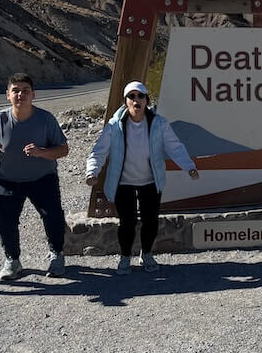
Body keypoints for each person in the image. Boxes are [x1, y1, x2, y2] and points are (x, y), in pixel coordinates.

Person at [85, 80, 200, 275]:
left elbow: (174, 146)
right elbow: (99, 151)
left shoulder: (159, 123)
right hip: (123, 183)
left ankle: (146, 254)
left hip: (150, 181)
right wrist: (92, 171)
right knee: (127, 222)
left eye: (140, 96)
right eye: (131, 96)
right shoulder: (114, 126)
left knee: (150, 220)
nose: (136, 100)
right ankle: (124, 257)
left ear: (146, 100)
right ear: (125, 101)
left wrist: (189, 166)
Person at [0, 73, 69, 280]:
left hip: (43, 178)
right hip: (7, 179)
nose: (21, 94)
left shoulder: (45, 119)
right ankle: (13, 260)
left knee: (53, 216)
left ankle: (57, 255)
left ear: (33, 95)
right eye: (16, 90)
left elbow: (63, 149)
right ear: (7, 95)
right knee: (5, 220)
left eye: (25, 90)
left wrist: (42, 152)